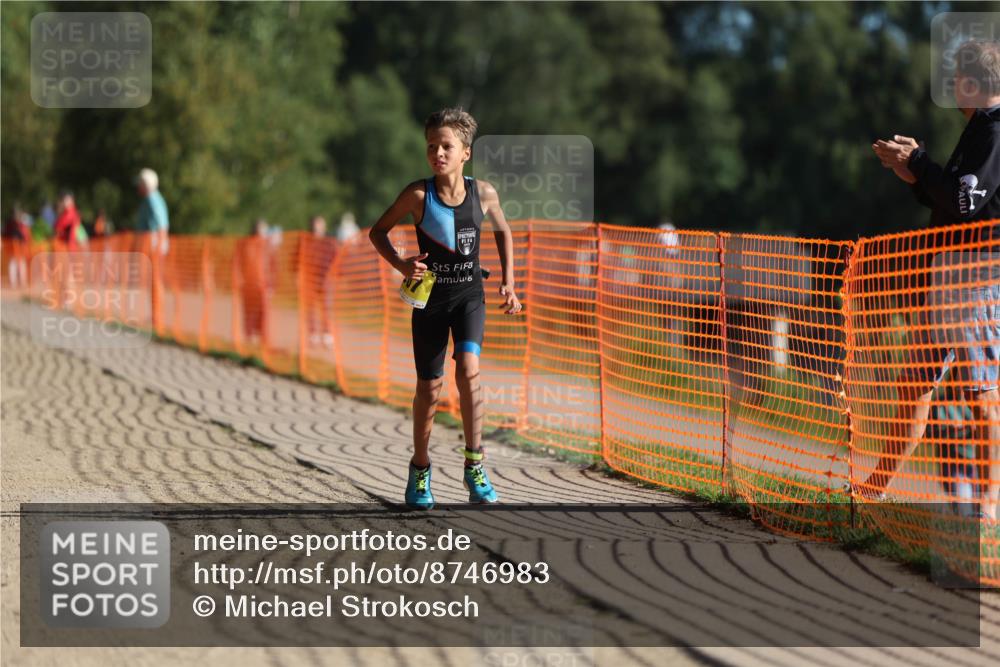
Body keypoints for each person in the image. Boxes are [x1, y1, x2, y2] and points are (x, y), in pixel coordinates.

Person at [867, 40, 1000, 519]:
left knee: (982, 394)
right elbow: (954, 200)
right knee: (914, 385)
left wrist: (921, 161)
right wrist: (915, 175)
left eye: (955, 78)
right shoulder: (979, 128)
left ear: (971, 83)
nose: (949, 87)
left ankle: (990, 502)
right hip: (950, 274)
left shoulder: (995, 130)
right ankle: (874, 489)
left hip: (979, 275)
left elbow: (966, 202)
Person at [368, 107, 522, 509]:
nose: (438, 153)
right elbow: (377, 231)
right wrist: (402, 264)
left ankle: (475, 466)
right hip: (431, 302)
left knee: (469, 371)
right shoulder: (418, 195)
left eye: (446, 146)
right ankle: (420, 470)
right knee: (429, 388)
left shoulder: (484, 193)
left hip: (470, 297)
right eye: (431, 146)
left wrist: (508, 280)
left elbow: (504, 231)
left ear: (465, 152)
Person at [238, 219, 277, 345]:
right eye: (259, 227)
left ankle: (263, 337)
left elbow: (273, 267)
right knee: (249, 311)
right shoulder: (245, 244)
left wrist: (272, 285)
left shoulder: (268, 246)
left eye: (263, 228)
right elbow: (238, 263)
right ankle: (249, 335)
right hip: (249, 284)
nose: (260, 230)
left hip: (264, 285)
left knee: (264, 312)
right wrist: (239, 279)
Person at [302, 215, 336, 347]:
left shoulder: (330, 243)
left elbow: (337, 261)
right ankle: (313, 334)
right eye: (315, 225)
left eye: (319, 225)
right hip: (310, 280)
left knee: (326, 308)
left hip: (326, 281)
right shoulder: (305, 241)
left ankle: (327, 334)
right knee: (310, 308)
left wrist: (334, 275)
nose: (317, 229)